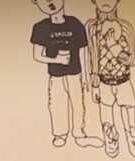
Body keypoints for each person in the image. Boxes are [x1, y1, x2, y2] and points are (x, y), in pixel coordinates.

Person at [29, 0, 91, 149]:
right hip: (55, 74)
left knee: (77, 102)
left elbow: (83, 51)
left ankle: (78, 131)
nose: (49, 2)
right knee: (57, 103)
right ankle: (60, 134)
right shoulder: (40, 27)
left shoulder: (75, 23)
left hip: (75, 73)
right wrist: (56, 59)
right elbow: (37, 55)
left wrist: (86, 75)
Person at [89, 0, 135, 159]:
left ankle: (132, 136)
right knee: (106, 112)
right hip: (104, 81)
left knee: (128, 108)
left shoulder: (126, 27)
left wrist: (114, 46)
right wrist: (94, 80)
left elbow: (132, 60)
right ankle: (111, 138)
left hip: (123, 80)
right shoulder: (93, 28)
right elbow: (93, 55)